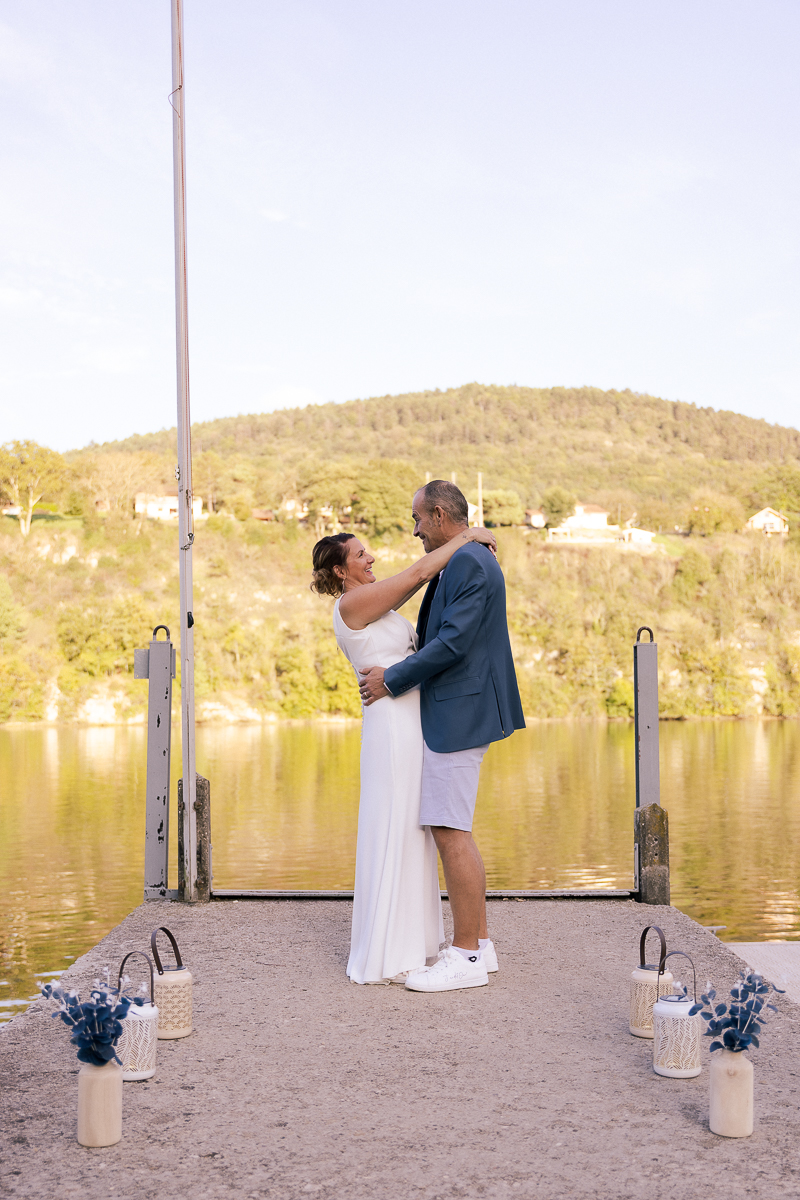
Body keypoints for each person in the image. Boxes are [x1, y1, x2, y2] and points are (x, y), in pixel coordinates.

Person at [311, 519, 498, 985]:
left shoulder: (377, 605)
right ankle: (390, 952)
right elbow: (417, 574)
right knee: (397, 826)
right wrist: (468, 537)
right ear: (340, 571)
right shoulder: (350, 605)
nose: (370, 557)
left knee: (418, 832)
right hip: (393, 729)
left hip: (414, 725)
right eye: (360, 555)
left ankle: (420, 943)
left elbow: (420, 587)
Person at [358, 480, 525, 993]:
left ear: (436, 514)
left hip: (461, 711)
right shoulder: (464, 558)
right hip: (458, 708)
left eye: (416, 519)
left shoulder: (470, 563)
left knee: (451, 831)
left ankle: (466, 955)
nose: (414, 531)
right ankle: (482, 945)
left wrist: (392, 679)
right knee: (451, 828)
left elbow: (452, 643)